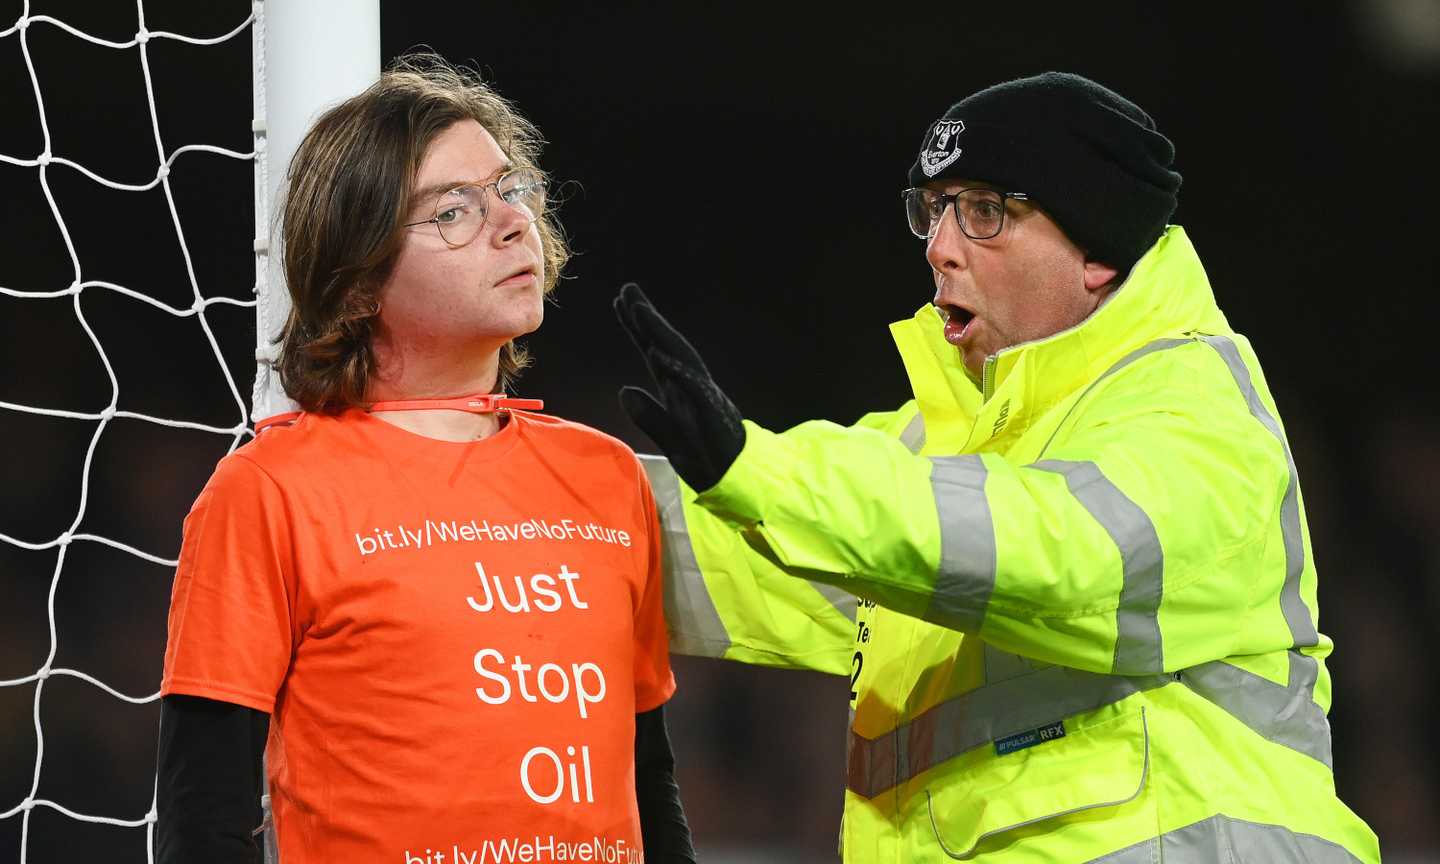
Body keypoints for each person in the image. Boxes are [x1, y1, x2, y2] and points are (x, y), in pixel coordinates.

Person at [616, 72, 1380, 861]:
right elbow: (740, 560)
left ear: (1097, 251)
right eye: (933, 210)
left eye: (985, 211)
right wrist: (521, 502)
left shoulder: (1194, 403)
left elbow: (1058, 549)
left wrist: (758, 469)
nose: (940, 248)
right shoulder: (941, 447)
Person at [156, 54, 694, 863]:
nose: (513, 223)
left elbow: (648, 779)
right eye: (454, 211)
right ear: (360, 280)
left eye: (510, 189)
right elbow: (204, 823)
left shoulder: (607, 476)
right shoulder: (268, 491)